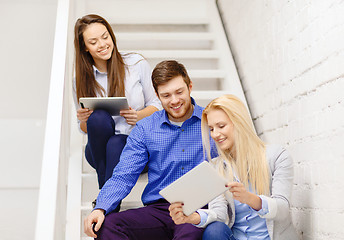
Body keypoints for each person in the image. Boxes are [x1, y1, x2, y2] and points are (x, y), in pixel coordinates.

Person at [84, 60, 216, 240]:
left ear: (190, 86)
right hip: (160, 210)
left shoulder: (212, 122)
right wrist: (100, 207)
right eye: (166, 95)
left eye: (179, 92)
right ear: (157, 95)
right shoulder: (145, 128)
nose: (175, 100)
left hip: (197, 208)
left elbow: (230, 164)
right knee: (108, 226)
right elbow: (124, 174)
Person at [169, 94, 299, 239]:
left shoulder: (277, 156)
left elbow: (282, 208)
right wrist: (191, 218)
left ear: (239, 123)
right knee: (215, 230)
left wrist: (250, 199)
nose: (215, 134)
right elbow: (219, 214)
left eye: (221, 126)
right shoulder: (215, 167)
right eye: (211, 129)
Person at [73, 14, 161, 194]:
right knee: (97, 118)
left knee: (116, 143)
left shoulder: (136, 63)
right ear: (85, 48)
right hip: (99, 152)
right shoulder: (81, 79)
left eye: (105, 37)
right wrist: (83, 120)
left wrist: (138, 116)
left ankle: (104, 198)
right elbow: (84, 129)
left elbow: (158, 104)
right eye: (94, 42)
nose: (103, 44)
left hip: (136, 148)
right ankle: (108, 198)